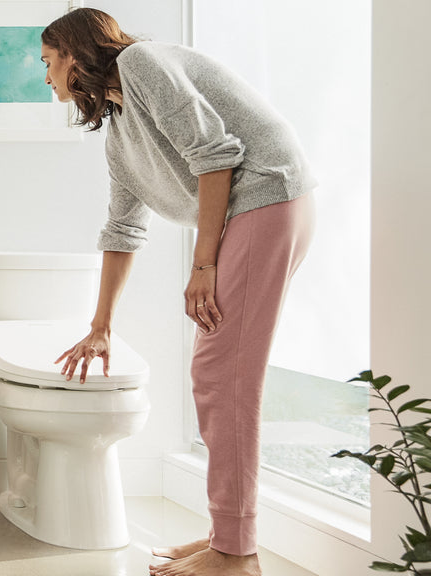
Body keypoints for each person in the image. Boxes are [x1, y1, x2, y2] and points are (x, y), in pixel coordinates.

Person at [41, 8, 315, 576]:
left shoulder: (140, 62)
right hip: (256, 212)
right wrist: (100, 326)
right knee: (218, 373)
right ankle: (226, 536)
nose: (47, 77)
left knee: (223, 374)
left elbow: (216, 156)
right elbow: (122, 229)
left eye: (48, 62)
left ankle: (236, 556)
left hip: (267, 199)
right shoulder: (120, 132)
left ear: (73, 52)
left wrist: (203, 264)